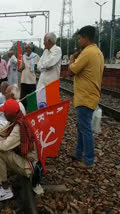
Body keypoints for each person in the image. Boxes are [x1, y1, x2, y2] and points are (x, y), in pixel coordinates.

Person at [0, 99, 37, 201]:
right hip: (22, 157)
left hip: (28, 165)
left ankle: (5, 190)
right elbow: (2, 132)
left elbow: (4, 146)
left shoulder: (18, 127)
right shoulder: (17, 119)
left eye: (5, 112)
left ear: (10, 114)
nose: (3, 114)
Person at [69, 25, 104, 168]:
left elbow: (73, 69)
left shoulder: (87, 52)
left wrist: (72, 59)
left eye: (79, 38)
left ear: (86, 38)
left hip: (85, 96)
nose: (78, 41)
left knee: (85, 128)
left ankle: (88, 160)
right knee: (82, 127)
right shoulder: (98, 52)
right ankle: (79, 153)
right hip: (90, 95)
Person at [19, 43, 40, 109]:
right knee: (23, 97)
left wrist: (35, 67)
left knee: (32, 98)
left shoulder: (36, 56)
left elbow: (38, 68)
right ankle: (23, 110)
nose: (25, 50)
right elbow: (21, 67)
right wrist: (21, 68)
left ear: (30, 49)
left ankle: (32, 110)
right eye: (25, 48)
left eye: (26, 48)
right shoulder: (23, 56)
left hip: (31, 80)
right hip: (24, 80)